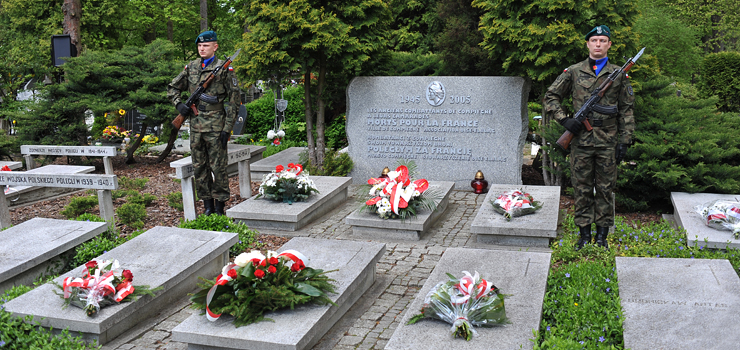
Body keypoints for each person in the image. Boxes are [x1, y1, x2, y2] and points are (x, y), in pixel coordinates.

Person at [544, 25, 635, 250]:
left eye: (603, 40)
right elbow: (550, 97)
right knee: (582, 189)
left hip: (608, 141)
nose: (598, 44)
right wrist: (565, 120)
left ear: (609, 45)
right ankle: (584, 236)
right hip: (581, 142)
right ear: (587, 44)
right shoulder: (574, 72)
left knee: (605, 189)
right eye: (594, 40)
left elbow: (626, 109)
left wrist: (625, 140)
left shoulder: (619, 74)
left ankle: (602, 237)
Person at [167, 30, 241, 216]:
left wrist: (227, 128)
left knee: (219, 167)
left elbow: (233, 101)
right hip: (196, 127)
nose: (202, 48)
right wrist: (179, 105)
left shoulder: (224, 69)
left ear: (215, 47)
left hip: (216, 126)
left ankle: (219, 207)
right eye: (199, 46)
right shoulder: (191, 67)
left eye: (206, 45)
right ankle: (207, 204)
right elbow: (172, 88)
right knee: (199, 167)